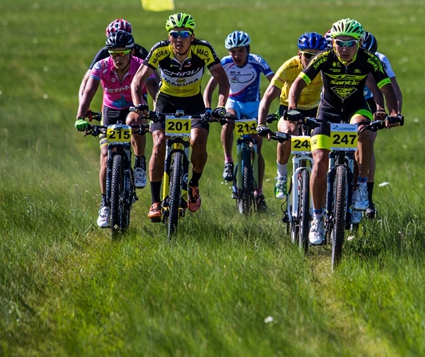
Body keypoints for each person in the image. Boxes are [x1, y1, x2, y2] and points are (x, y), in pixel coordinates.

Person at [287, 18, 401, 245]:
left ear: (359, 43)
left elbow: (386, 88)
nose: (346, 49)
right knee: (319, 161)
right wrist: (292, 108)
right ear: (333, 43)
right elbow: (297, 84)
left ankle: (360, 185)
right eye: (340, 43)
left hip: (356, 108)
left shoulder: (369, 60)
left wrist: (394, 113)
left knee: (365, 131)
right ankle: (317, 219)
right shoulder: (323, 58)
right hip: (327, 112)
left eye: (351, 43)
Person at [126, 13, 230, 221]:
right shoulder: (160, 50)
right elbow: (137, 81)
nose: (179, 39)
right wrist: (140, 106)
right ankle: (155, 201)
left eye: (185, 34)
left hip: (193, 102)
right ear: (169, 36)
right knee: (158, 143)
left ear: (192, 37)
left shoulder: (203, 49)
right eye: (175, 35)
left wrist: (220, 107)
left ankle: (193, 185)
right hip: (165, 102)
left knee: (198, 140)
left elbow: (222, 80)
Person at [75, 31, 158, 227]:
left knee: (135, 123)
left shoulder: (140, 65)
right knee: (105, 156)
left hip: (133, 108)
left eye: (122, 54)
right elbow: (89, 91)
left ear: (131, 52)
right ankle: (105, 205)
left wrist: (156, 113)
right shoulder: (102, 66)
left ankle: (139, 163)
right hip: (110, 110)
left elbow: (154, 90)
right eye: (114, 54)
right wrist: (80, 116)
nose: (118, 58)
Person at [206, 30, 274, 210]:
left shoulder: (257, 62)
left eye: (241, 51)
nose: (236, 55)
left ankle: (259, 192)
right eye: (233, 51)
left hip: (253, 105)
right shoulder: (225, 63)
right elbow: (209, 89)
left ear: (248, 50)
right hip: (233, 102)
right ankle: (228, 160)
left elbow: (275, 83)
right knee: (228, 121)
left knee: (257, 150)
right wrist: (208, 107)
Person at [256, 32, 328, 199]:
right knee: (287, 134)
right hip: (289, 109)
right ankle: (281, 175)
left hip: (315, 110)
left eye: (318, 56)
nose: (313, 60)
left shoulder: (324, 68)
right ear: (299, 54)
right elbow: (267, 96)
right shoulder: (290, 67)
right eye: (308, 55)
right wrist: (261, 124)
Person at [358, 31, 403, 220]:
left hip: (369, 102)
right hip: (343, 100)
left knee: (367, 140)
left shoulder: (380, 59)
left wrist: (395, 114)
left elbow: (393, 89)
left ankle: (366, 196)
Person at [78, 19, 149, 99]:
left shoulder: (140, 52)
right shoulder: (104, 52)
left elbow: (154, 80)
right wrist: (83, 104)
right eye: (114, 53)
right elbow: (86, 82)